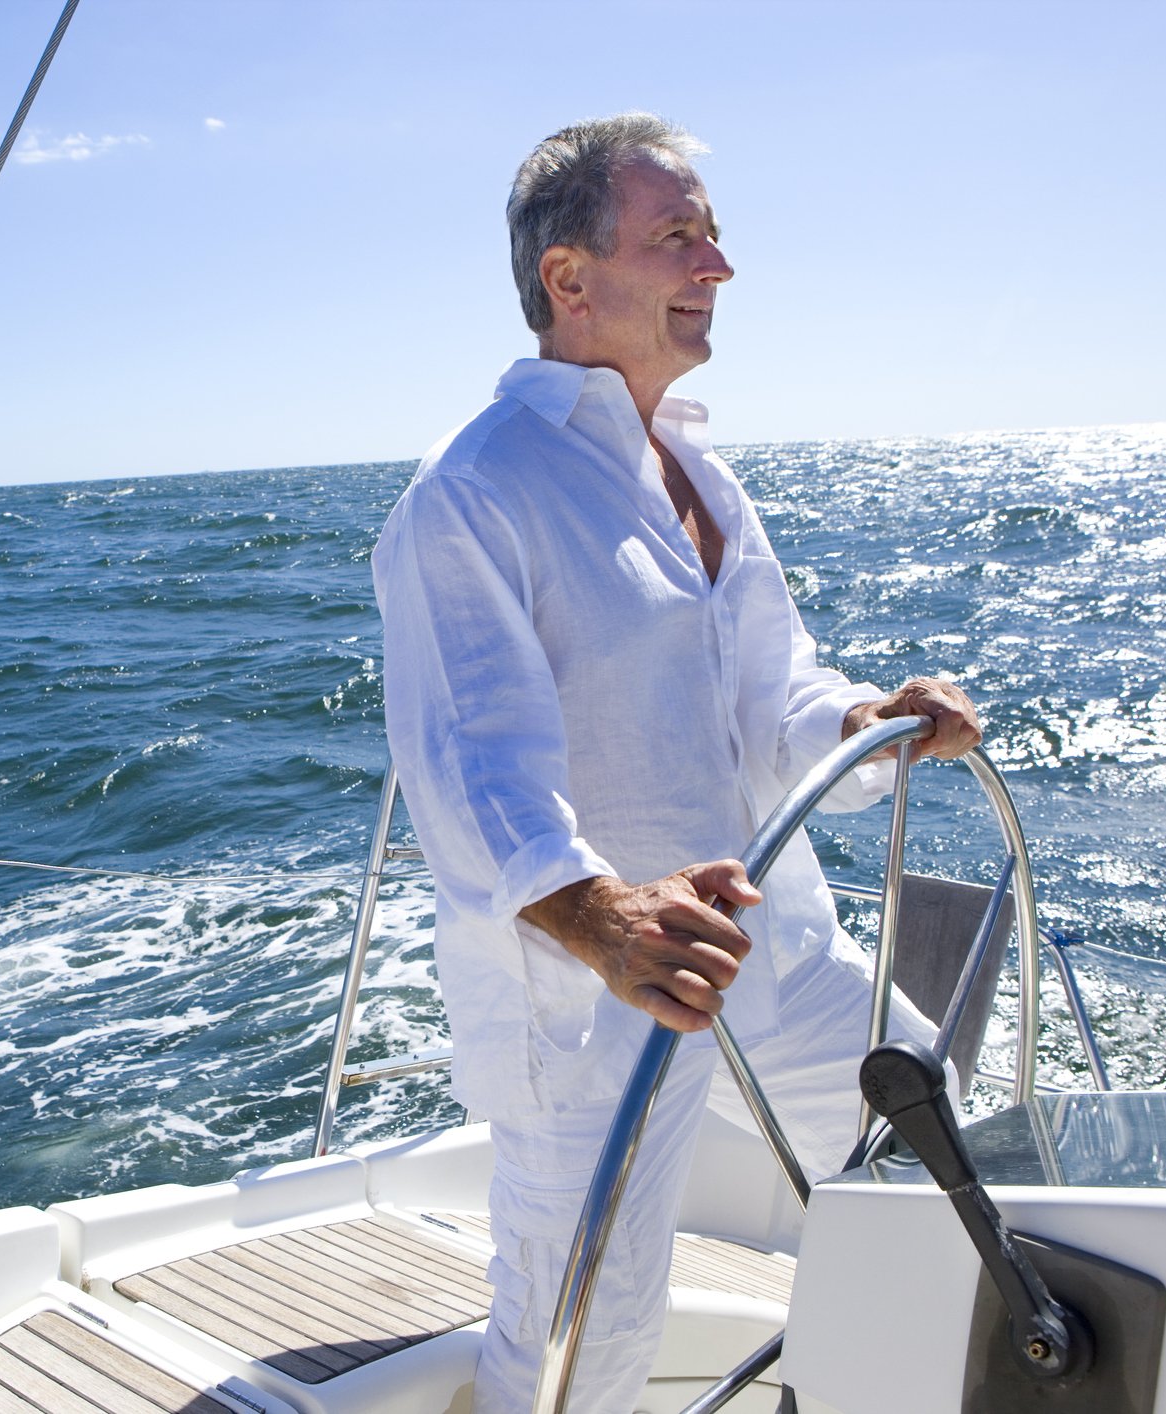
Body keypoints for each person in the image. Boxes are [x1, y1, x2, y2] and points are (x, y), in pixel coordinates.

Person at [371, 112, 982, 1412]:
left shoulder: (695, 471)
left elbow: (774, 695)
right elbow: (467, 763)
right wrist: (600, 916)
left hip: (762, 947)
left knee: (939, 1143)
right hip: (591, 992)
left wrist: (869, 717)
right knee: (583, 1331)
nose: (716, 265)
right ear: (570, 278)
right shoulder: (472, 491)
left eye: (710, 235)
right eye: (679, 236)